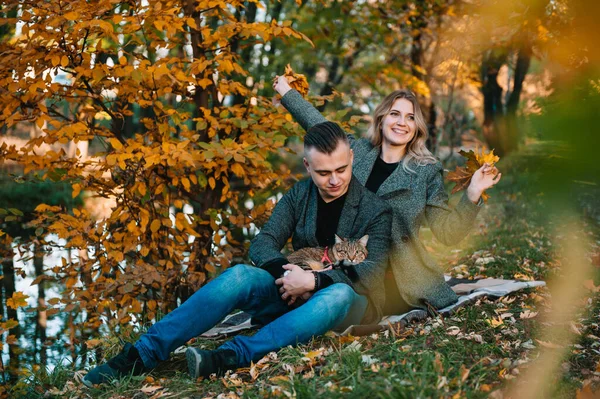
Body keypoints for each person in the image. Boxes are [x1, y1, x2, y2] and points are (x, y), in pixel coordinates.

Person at [82, 121, 392, 386]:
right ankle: (141, 354)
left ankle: (229, 357)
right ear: (308, 166)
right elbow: (262, 243)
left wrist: (313, 283)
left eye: (342, 168)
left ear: (352, 157)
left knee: (336, 295)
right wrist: (290, 276)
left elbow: (372, 271)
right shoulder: (299, 194)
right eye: (324, 172)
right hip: (291, 293)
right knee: (240, 275)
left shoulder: (375, 210)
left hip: (347, 302)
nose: (335, 180)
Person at [273, 76, 501, 315]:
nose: (402, 122)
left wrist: (473, 192)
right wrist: (288, 93)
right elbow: (318, 124)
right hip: (346, 264)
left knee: (331, 301)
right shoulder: (357, 152)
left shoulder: (426, 171)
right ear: (381, 119)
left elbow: (447, 233)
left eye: (410, 117)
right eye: (395, 114)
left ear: (416, 128)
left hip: (398, 277)